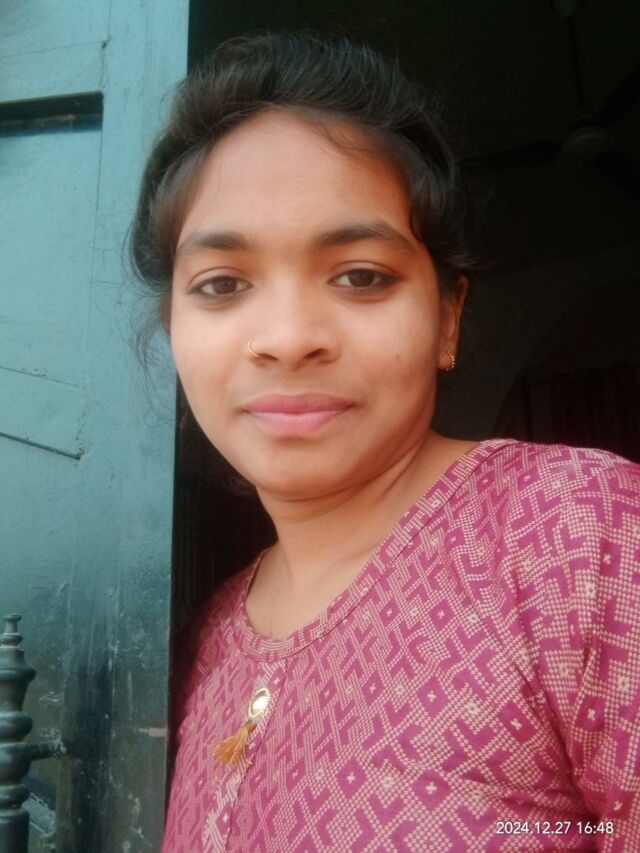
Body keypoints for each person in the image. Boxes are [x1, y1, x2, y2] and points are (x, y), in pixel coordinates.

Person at [130, 30, 640, 852]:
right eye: (221, 284)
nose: (288, 338)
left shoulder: (575, 534)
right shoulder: (208, 634)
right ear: (173, 330)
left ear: (447, 318)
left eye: (360, 275)